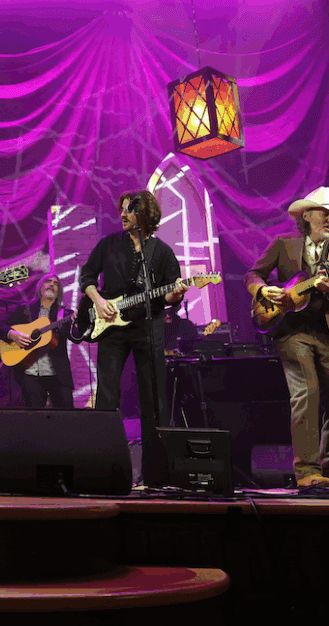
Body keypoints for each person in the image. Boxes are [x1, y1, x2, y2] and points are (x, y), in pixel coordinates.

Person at [244, 186, 329, 488]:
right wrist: (262, 290)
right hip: (293, 332)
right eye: (326, 214)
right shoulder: (283, 244)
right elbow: (253, 274)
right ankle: (307, 472)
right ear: (306, 215)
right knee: (306, 393)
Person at [79, 190, 187, 487]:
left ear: (145, 215)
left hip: (147, 328)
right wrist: (98, 300)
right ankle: (102, 469)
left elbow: (168, 294)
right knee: (107, 396)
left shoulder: (161, 252)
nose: (123, 214)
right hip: (111, 329)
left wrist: (174, 293)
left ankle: (155, 475)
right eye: (122, 209)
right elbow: (86, 277)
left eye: (129, 210)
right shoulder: (109, 244)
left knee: (153, 400)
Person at [0, 272, 74, 409]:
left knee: (67, 420)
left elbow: (76, 337)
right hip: (30, 374)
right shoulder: (25, 309)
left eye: (56, 284)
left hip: (58, 375)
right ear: (40, 287)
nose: (52, 285)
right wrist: (13, 334)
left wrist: (80, 324)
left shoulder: (65, 314)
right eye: (48, 281)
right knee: (34, 422)